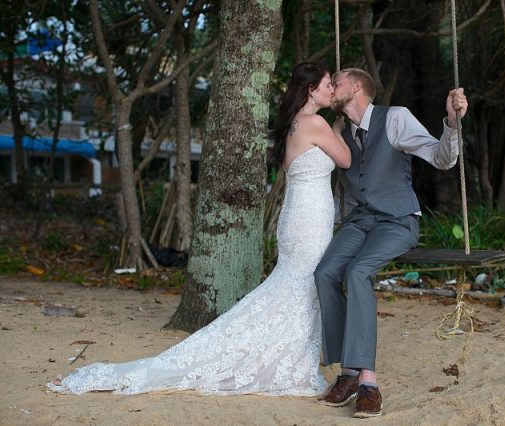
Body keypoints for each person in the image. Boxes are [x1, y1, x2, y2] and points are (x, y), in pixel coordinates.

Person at [47, 62, 350, 396]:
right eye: (326, 84)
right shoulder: (315, 124)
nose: (331, 90)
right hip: (308, 216)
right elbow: (346, 160)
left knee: (298, 284)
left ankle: (288, 354)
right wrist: (339, 126)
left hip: (300, 214)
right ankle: (280, 357)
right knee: (300, 283)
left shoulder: (295, 124)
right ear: (311, 90)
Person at [314, 68, 468, 418]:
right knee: (324, 272)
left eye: (335, 81)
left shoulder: (395, 118)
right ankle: (350, 372)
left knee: (357, 273)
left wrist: (451, 120)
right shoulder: (341, 132)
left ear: (355, 87)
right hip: (359, 222)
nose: (330, 86)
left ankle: (367, 381)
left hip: (396, 221)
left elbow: (443, 158)